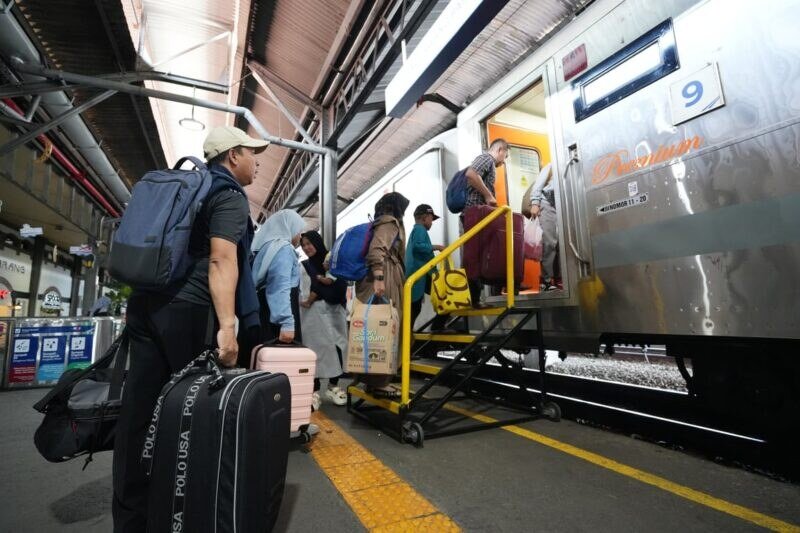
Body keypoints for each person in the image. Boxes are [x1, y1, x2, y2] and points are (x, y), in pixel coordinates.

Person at [113, 125, 265, 532]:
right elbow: (221, 260)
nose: (257, 163)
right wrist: (228, 326)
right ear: (233, 155)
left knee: (139, 414)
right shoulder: (228, 195)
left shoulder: (188, 189)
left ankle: (131, 521)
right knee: (192, 414)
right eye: (252, 154)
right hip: (190, 310)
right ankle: (186, 514)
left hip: (146, 304)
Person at [355, 192, 409, 398]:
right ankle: (380, 382)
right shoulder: (389, 222)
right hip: (386, 277)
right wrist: (379, 277)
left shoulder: (378, 222)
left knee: (374, 331)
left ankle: (373, 381)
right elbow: (376, 250)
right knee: (388, 330)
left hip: (378, 277)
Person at [299, 230, 349, 408]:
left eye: (309, 243)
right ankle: (314, 390)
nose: (306, 248)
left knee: (338, 346)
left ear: (317, 242)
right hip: (312, 316)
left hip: (335, 311)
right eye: (303, 245)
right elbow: (304, 291)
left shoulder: (333, 262)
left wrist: (321, 288)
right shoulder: (304, 266)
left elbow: (341, 285)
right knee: (315, 350)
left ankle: (333, 386)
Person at [463, 138, 509, 305]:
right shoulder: (486, 158)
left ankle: (480, 294)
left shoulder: (489, 163)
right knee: (474, 255)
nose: (504, 161)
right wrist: (489, 195)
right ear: (500, 150)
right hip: (475, 213)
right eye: (505, 156)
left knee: (479, 253)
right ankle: (474, 297)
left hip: (478, 214)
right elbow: (471, 174)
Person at [251, 210, 306, 346]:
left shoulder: (265, 248)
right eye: (298, 231)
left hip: (264, 311)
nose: (299, 236)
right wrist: (287, 322)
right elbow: (279, 286)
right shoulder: (283, 248)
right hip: (277, 322)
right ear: (289, 227)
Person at [405, 204, 447, 330]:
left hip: (420, 274)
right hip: (423, 274)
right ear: (424, 218)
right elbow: (418, 246)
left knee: (415, 308)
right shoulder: (420, 229)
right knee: (445, 297)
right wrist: (436, 247)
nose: (432, 222)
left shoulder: (416, 230)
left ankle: (407, 335)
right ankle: (437, 327)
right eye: (431, 219)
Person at [528, 163, 560, 291]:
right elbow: (538, 184)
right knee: (549, 242)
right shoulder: (553, 165)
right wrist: (535, 203)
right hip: (547, 203)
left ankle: (559, 278)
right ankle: (546, 280)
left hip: (562, 206)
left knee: (560, 245)